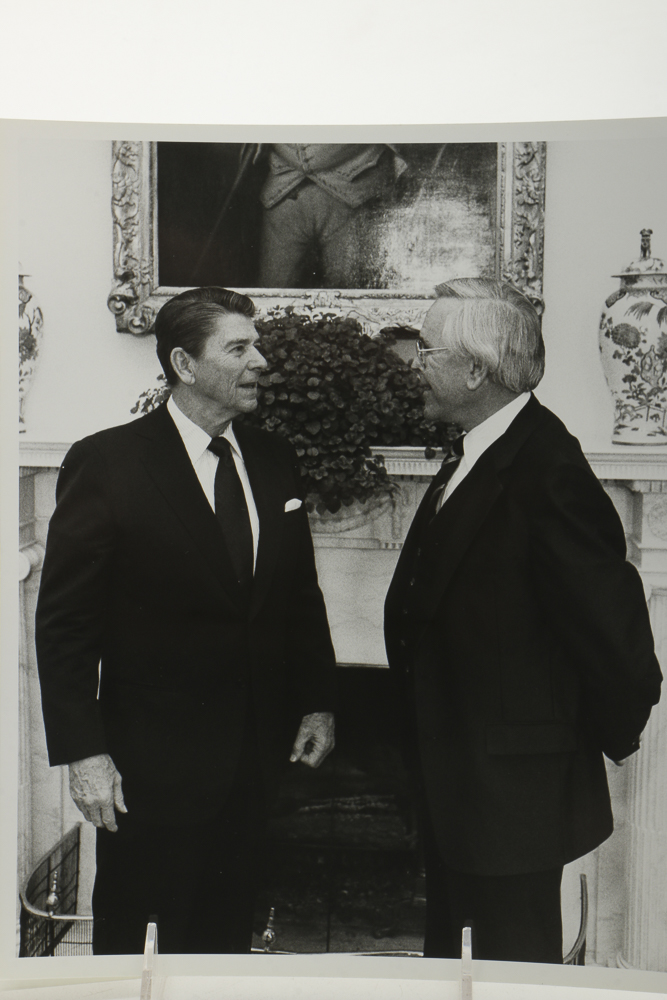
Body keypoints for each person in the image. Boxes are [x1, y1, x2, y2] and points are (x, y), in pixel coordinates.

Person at [35, 286, 337, 955]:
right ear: (184, 362)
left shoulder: (272, 457)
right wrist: (84, 753)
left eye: (256, 345)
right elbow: (65, 623)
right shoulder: (107, 462)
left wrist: (317, 702)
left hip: (255, 763)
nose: (261, 362)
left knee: (223, 945)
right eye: (239, 347)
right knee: (140, 949)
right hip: (149, 771)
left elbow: (298, 596)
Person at [384, 277, 662, 964]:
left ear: (474, 369)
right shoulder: (480, 450)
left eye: (425, 350)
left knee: (509, 975)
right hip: (468, 788)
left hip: (512, 796)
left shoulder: (546, 468)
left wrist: (567, 749)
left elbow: (616, 640)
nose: (412, 363)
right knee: (461, 971)